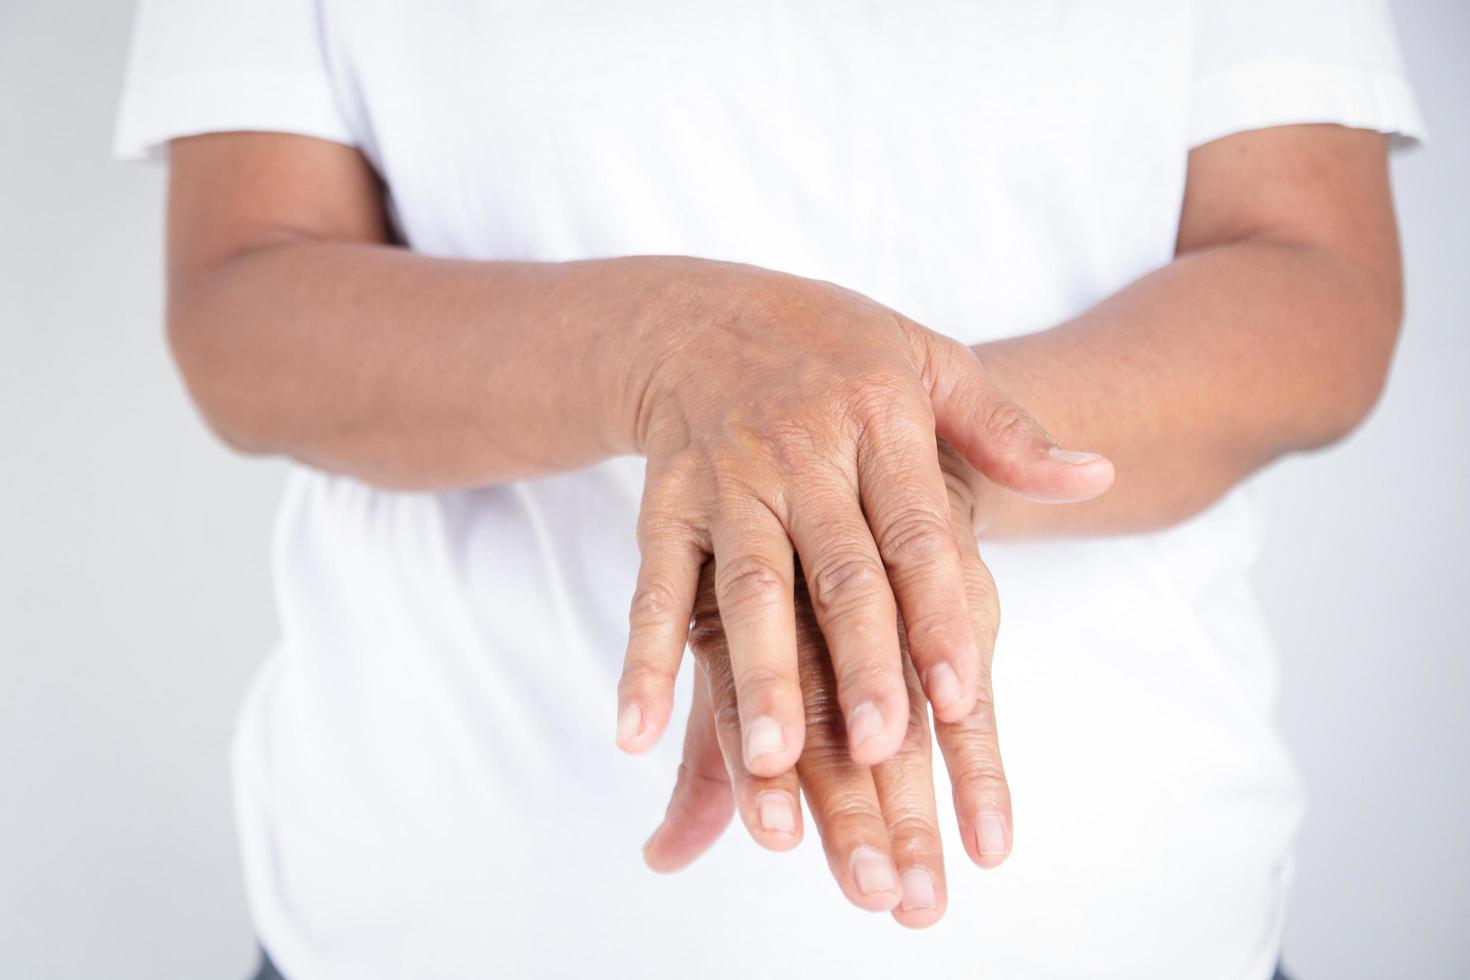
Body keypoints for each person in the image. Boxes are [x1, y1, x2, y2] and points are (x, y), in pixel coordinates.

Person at [116, 1, 1423, 977]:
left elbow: (1311, 282)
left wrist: (874, 446)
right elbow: (251, 295)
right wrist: (669, 352)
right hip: (435, 911)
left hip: (1126, 918)